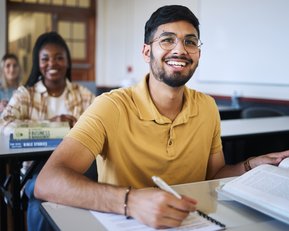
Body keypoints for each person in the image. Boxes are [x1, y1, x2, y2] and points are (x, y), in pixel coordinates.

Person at [34, 5, 289, 229]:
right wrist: (130, 202)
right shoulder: (110, 106)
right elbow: (48, 181)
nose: (181, 49)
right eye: (167, 40)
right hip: (127, 221)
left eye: (191, 42)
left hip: (193, 221)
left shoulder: (208, 107)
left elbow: (214, 176)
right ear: (147, 52)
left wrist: (248, 167)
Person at [0, 31, 95, 230]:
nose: (52, 63)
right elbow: (4, 124)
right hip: (33, 172)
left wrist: (76, 125)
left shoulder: (84, 95)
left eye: (59, 57)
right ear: (38, 62)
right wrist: (50, 126)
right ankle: (42, 185)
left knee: (45, 196)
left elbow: (99, 127)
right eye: (46, 58)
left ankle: (44, 186)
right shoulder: (26, 94)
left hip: (75, 171)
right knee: (40, 200)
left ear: (67, 61)